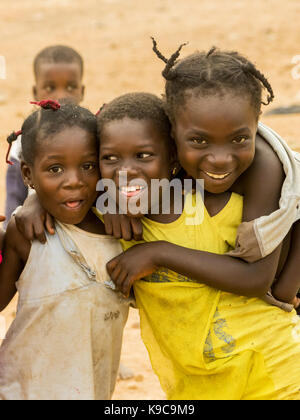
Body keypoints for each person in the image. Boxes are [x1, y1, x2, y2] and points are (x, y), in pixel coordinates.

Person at [14, 92, 300, 398]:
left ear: (173, 157)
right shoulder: (111, 218)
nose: (126, 170)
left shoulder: (214, 203)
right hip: (195, 389)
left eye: (144, 156)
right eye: (109, 158)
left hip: (275, 375)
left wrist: (158, 252)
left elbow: (287, 203)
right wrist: (32, 202)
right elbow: (67, 188)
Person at [0, 101, 129, 400]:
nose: (74, 181)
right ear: (28, 175)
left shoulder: (124, 231)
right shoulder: (26, 231)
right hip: (20, 390)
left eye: (88, 166)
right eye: (55, 169)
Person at [4, 45, 85, 229]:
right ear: (35, 92)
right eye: (50, 87)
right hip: (39, 231)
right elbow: (14, 197)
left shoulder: (89, 134)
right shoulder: (22, 144)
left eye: (71, 87)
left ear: (82, 91)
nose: (61, 96)